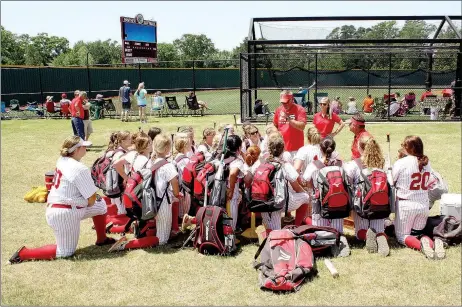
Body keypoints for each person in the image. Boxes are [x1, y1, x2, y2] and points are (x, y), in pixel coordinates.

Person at [9, 136, 116, 264]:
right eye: (83, 146)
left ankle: (102, 239)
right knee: (65, 252)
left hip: (61, 206)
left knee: (101, 206)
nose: (86, 148)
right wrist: (87, 198)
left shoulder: (62, 159)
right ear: (76, 150)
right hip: (64, 213)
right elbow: (91, 200)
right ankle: (24, 254)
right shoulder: (79, 168)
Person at [392, 135, 444, 260]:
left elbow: (391, 181)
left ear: (409, 148)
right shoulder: (426, 161)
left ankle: (422, 246)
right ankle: (433, 243)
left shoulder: (401, 163)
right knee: (418, 234)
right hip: (423, 204)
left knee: (401, 236)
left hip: (406, 204)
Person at [302, 137, 350, 257]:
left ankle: (327, 245)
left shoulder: (314, 165)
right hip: (338, 202)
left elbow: (306, 180)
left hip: (319, 202)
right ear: (334, 149)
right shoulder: (340, 163)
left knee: (320, 229)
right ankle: (339, 239)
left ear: (320, 148)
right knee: (337, 227)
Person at [254, 133, 310, 233]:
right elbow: (297, 188)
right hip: (281, 203)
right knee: (306, 197)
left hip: (262, 202)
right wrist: (305, 193)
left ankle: (267, 234)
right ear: (283, 149)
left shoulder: (262, 163)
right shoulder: (286, 165)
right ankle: (296, 227)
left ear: (269, 148)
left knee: (272, 232)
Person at [344, 136, 390, 256]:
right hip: (380, 205)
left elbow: (347, 182)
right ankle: (380, 237)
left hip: (362, 206)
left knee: (360, 232)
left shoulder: (354, 164)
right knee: (379, 230)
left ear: (360, 148)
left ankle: (367, 236)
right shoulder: (382, 164)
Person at [273, 90, 307, 157]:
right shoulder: (279, 110)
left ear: (292, 99)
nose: (284, 104)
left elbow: (302, 127)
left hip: (296, 148)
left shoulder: (299, 109)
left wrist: (288, 119)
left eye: (286, 102)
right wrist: (276, 133)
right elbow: (275, 125)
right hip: (282, 148)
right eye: (282, 102)